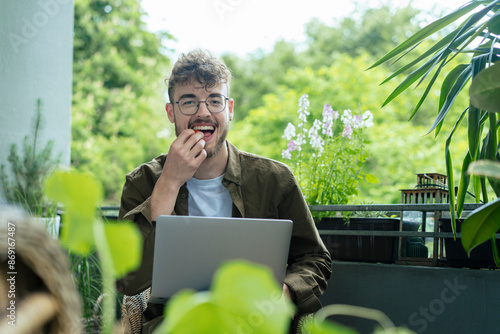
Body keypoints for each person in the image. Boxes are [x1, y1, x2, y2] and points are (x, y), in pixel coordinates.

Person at [116, 49, 332, 333]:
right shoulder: (142, 181)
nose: (203, 112)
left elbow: (315, 258)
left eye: (214, 101)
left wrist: (287, 291)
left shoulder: (274, 179)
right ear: (171, 112)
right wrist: (168, 184)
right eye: (189, 101)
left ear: (229, 110)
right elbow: (127, 279)